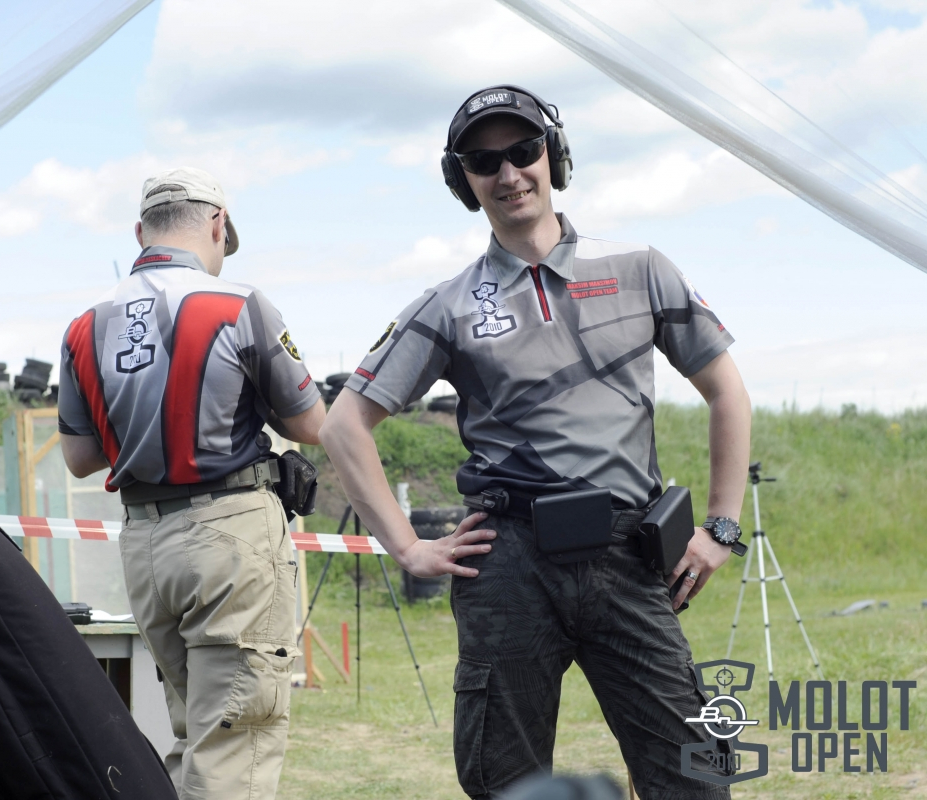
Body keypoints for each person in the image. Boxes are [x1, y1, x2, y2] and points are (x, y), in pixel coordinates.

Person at [320, 85, 752, 799]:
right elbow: (343, 425)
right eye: (483, 161)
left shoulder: (639, 266)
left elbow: (726, 391)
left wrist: (721, 528)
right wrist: (409, 548)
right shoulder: (448, 304)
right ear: (462, 180)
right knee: (507, 784)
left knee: (693, 774)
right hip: (509, 563)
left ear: (555, 156)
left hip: (628, 555)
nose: (509, 173)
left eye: (523, 150)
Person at [58, 167, 325, 800]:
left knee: (195, 734)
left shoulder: (84, 326)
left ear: (140, 232)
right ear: (217, 224)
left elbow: (79, 457)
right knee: (236, 745)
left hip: (146, 546)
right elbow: (311, 424)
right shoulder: (238, 305)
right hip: (230, 537)